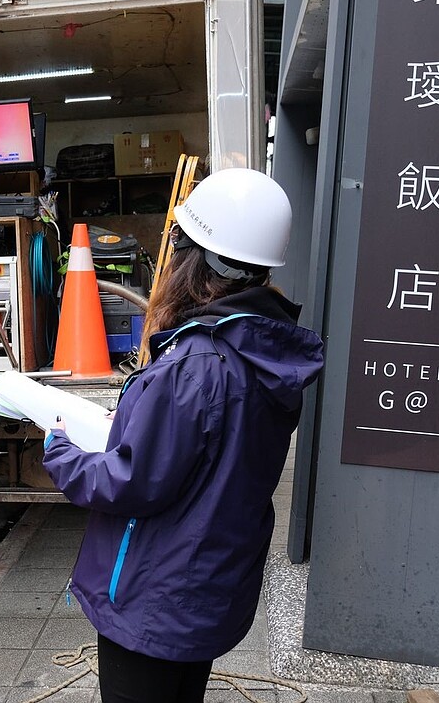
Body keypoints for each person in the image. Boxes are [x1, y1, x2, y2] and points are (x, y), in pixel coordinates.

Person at [43, 168, 325, 703]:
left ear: (196, 259)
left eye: (178, 244)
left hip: (157, 593)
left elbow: (133, 481)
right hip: (206, 587)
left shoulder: (194, 364)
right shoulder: (265, 352)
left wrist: (62, 453)